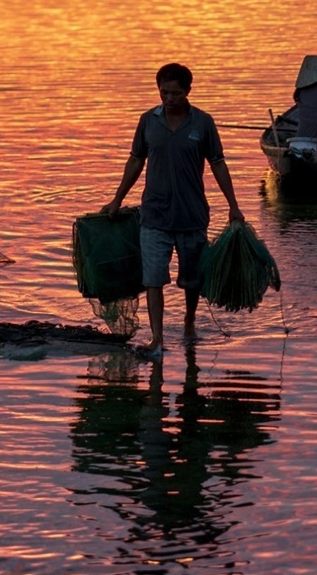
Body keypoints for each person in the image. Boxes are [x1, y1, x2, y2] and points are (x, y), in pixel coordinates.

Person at [103, 63, 244, 358]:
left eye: (175, 93)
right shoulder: (148, 121)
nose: (169, 98)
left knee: (192, 280)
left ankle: (189, 321)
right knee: (153, 279)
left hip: (192, 217)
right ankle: (157, 339)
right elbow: (135, 161)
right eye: (164, 92)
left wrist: (233, 206)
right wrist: (117, 199)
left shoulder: (203, 123)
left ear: (188, 91)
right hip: (154, 216)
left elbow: (218, 163)